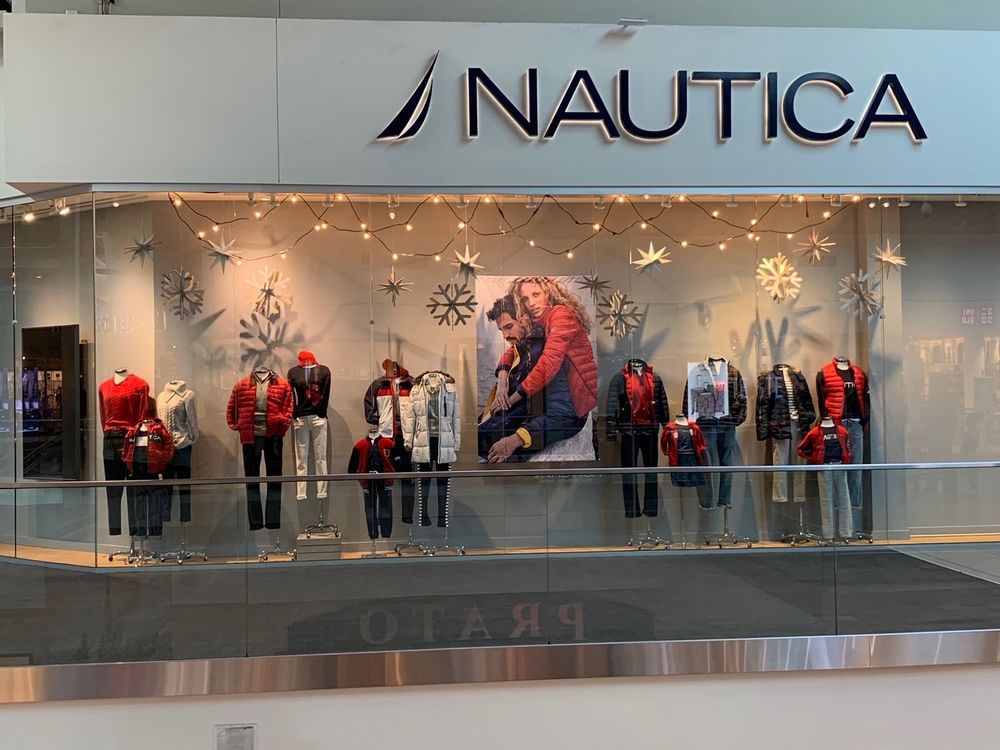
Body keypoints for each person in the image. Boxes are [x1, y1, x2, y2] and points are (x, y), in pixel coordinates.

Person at [492, 277, 597, 445]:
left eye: (536, 294)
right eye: (525, 299)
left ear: (548, 293)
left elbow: (549, 363)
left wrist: (510, 401)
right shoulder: (538, 320)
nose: (531, 303)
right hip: (556, 397)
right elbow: (513, 349)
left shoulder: (560, 314)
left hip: (574, 401)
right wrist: (502, 380)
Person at [478, 295, 578, 462]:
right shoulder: (527, 345)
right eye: (501, 330)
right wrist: (502, 379)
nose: (505, 336)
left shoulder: (546, 352)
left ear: (524, 319)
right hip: (505, 431)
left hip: (521, 445)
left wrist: (515, 440)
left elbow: (563, 414)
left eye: (509, 327)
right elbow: (512, 353)